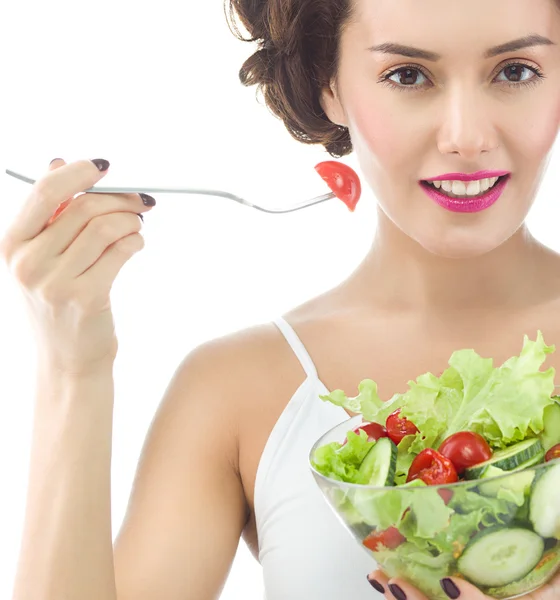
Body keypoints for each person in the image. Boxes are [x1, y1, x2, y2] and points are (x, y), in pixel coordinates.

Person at [3, 0, 560, 599]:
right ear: (328, 86)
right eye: (407, 75)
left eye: (515, 71)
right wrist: (72, 366)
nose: (467, 138)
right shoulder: (235, 389)